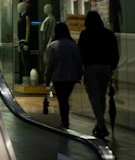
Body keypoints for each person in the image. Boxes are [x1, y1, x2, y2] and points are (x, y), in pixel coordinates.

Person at [78, 10, 119, 138]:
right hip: (106, 68)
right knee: (102, 95)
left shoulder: (85, 34)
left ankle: (101, 123)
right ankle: (99, 123)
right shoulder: (109, 34)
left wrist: (81, 68)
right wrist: (112, 67)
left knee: (94, 96)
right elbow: (115, 53)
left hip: (91, 67)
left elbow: (80, 52)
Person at [44, 22, 83, 128]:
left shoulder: (53, 46)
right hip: (71, 77)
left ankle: (65, 120)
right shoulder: (74, 45)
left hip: (58, 77)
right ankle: (65, 120)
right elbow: (79, 62)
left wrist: (47, 79)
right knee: (65, 98)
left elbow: (50, 64)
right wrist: (79, 75)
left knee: (62, 99)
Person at [38, 4, 56, 78]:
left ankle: (49, 77)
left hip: (47, 42)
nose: (44, 10)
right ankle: (47, 77)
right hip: (44, 42)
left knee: (48, 60)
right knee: (45, 60)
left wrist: (49, 42)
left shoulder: (52, 19)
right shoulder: (47, 18)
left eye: (45, 8)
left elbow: (52, 32)